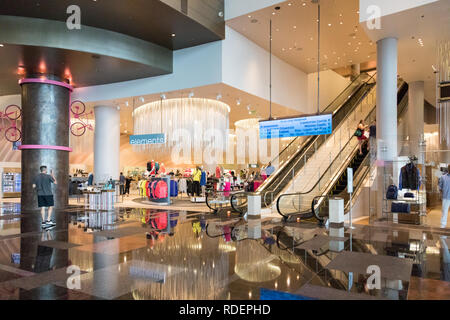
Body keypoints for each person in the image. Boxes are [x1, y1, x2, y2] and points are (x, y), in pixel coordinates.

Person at [438, 164, 450, 229]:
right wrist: (441, 195)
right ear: (448, 169)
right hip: (446, 197)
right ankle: (442, 227)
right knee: (444, 212)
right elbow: (440, 187)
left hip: (446, 197)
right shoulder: (443, 177)